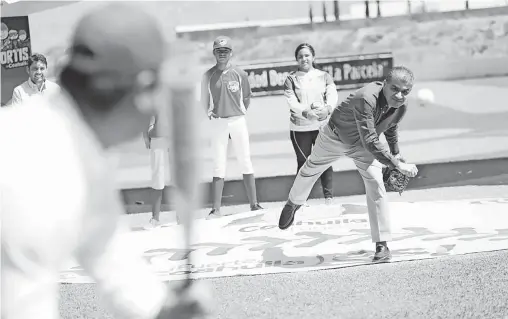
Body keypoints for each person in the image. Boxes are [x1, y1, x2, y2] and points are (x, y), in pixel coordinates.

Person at [1, 3, 210, 319]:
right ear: (142, 90)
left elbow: (107, 250)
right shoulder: (28, 170)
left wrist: (164, 310)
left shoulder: (79, 146)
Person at [278, 66, 419, 262]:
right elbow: (370, 139)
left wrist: (396, 153)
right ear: (384, 84)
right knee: (310, 170)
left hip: (362, 147)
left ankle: (382, 244)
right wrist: (396, 164)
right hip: (334, 138)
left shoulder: (400, 106)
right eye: (394, 88)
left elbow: (391, 127)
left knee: (376, 185)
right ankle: (293, 203)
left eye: (405, 91)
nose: (399, 95)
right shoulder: (366, 98)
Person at [201, 35, 263, 219]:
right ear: (214, 52)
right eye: (219, 51)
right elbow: (203, 100)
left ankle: (254, 204)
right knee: (218, 165)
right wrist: (209, 113)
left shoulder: (240, 73)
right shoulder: (208, 75)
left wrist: (239, 111)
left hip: (237, 121)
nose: (222, 54)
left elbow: (247, 97)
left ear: (231, 53)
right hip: (219, 122)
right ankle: (216, 209)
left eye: (225, 51)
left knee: (245, 161)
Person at [284, 43, 338, 206]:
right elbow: (292, 101)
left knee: (324, 160)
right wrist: (305, 112)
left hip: (322, 126)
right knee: (303, 163)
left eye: (307, 55)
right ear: (296, 60)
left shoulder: (324, 76)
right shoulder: (291, 79)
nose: (304, 59)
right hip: (300, 128)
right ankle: (300, 201)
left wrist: (328, 109)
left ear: (313, 57)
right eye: (300, 56)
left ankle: (329, 198)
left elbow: (332, 94)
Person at [143, 113, 173, 229]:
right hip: (157, 137)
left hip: (176, 136)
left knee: (178, 177)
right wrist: (145, 134)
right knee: (157, 177)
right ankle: (155, 218)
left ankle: (182, 218)